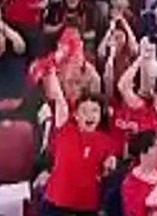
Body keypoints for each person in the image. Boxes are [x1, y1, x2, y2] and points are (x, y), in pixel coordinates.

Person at [41, 69, 117, 215]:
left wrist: (110, 162)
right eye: (85, 111)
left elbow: (109, 164)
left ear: (101, 115)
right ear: (75, 115)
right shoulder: (65, 129)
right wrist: (49, 69)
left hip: (87, 206)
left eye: (95, 111)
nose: (90, 115)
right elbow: (58, 97)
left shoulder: (106, 141)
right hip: (56, 203)